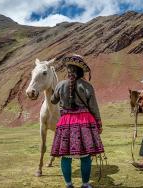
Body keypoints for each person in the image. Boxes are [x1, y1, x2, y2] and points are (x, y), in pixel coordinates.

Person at [50, 54, 104, 188]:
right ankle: (85, 184)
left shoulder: (60, 85)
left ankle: (69, 184)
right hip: (85, 122)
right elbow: (93, 107)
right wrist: (98, 123)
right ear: (81, 71)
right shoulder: (87, 86)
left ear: (68, 69)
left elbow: (53, 100)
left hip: (66, 122)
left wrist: (56, 91)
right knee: (85, 155)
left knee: (66, 156)